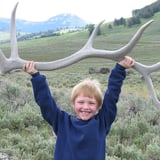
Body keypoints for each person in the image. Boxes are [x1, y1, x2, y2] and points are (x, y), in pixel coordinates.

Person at [23, 56, 135, 160]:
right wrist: (36, 77)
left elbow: (112, 96)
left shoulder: (102, 122)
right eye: (81, 102)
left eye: (91, 103)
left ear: (99, 106)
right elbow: (45, 102)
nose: (85, 107)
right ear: (73, 103)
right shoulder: (62, 122)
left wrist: (120, 69)